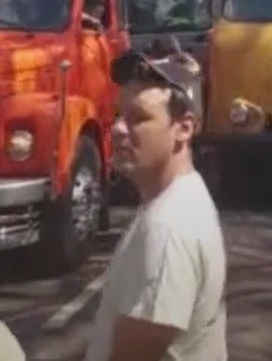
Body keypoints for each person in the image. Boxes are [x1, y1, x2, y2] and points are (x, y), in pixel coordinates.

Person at [84, 49, 227, 361]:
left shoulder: (167, 230)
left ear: (183, 129)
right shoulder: (178, 200)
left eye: (139, 118)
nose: (119, 129)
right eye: (120, 115)